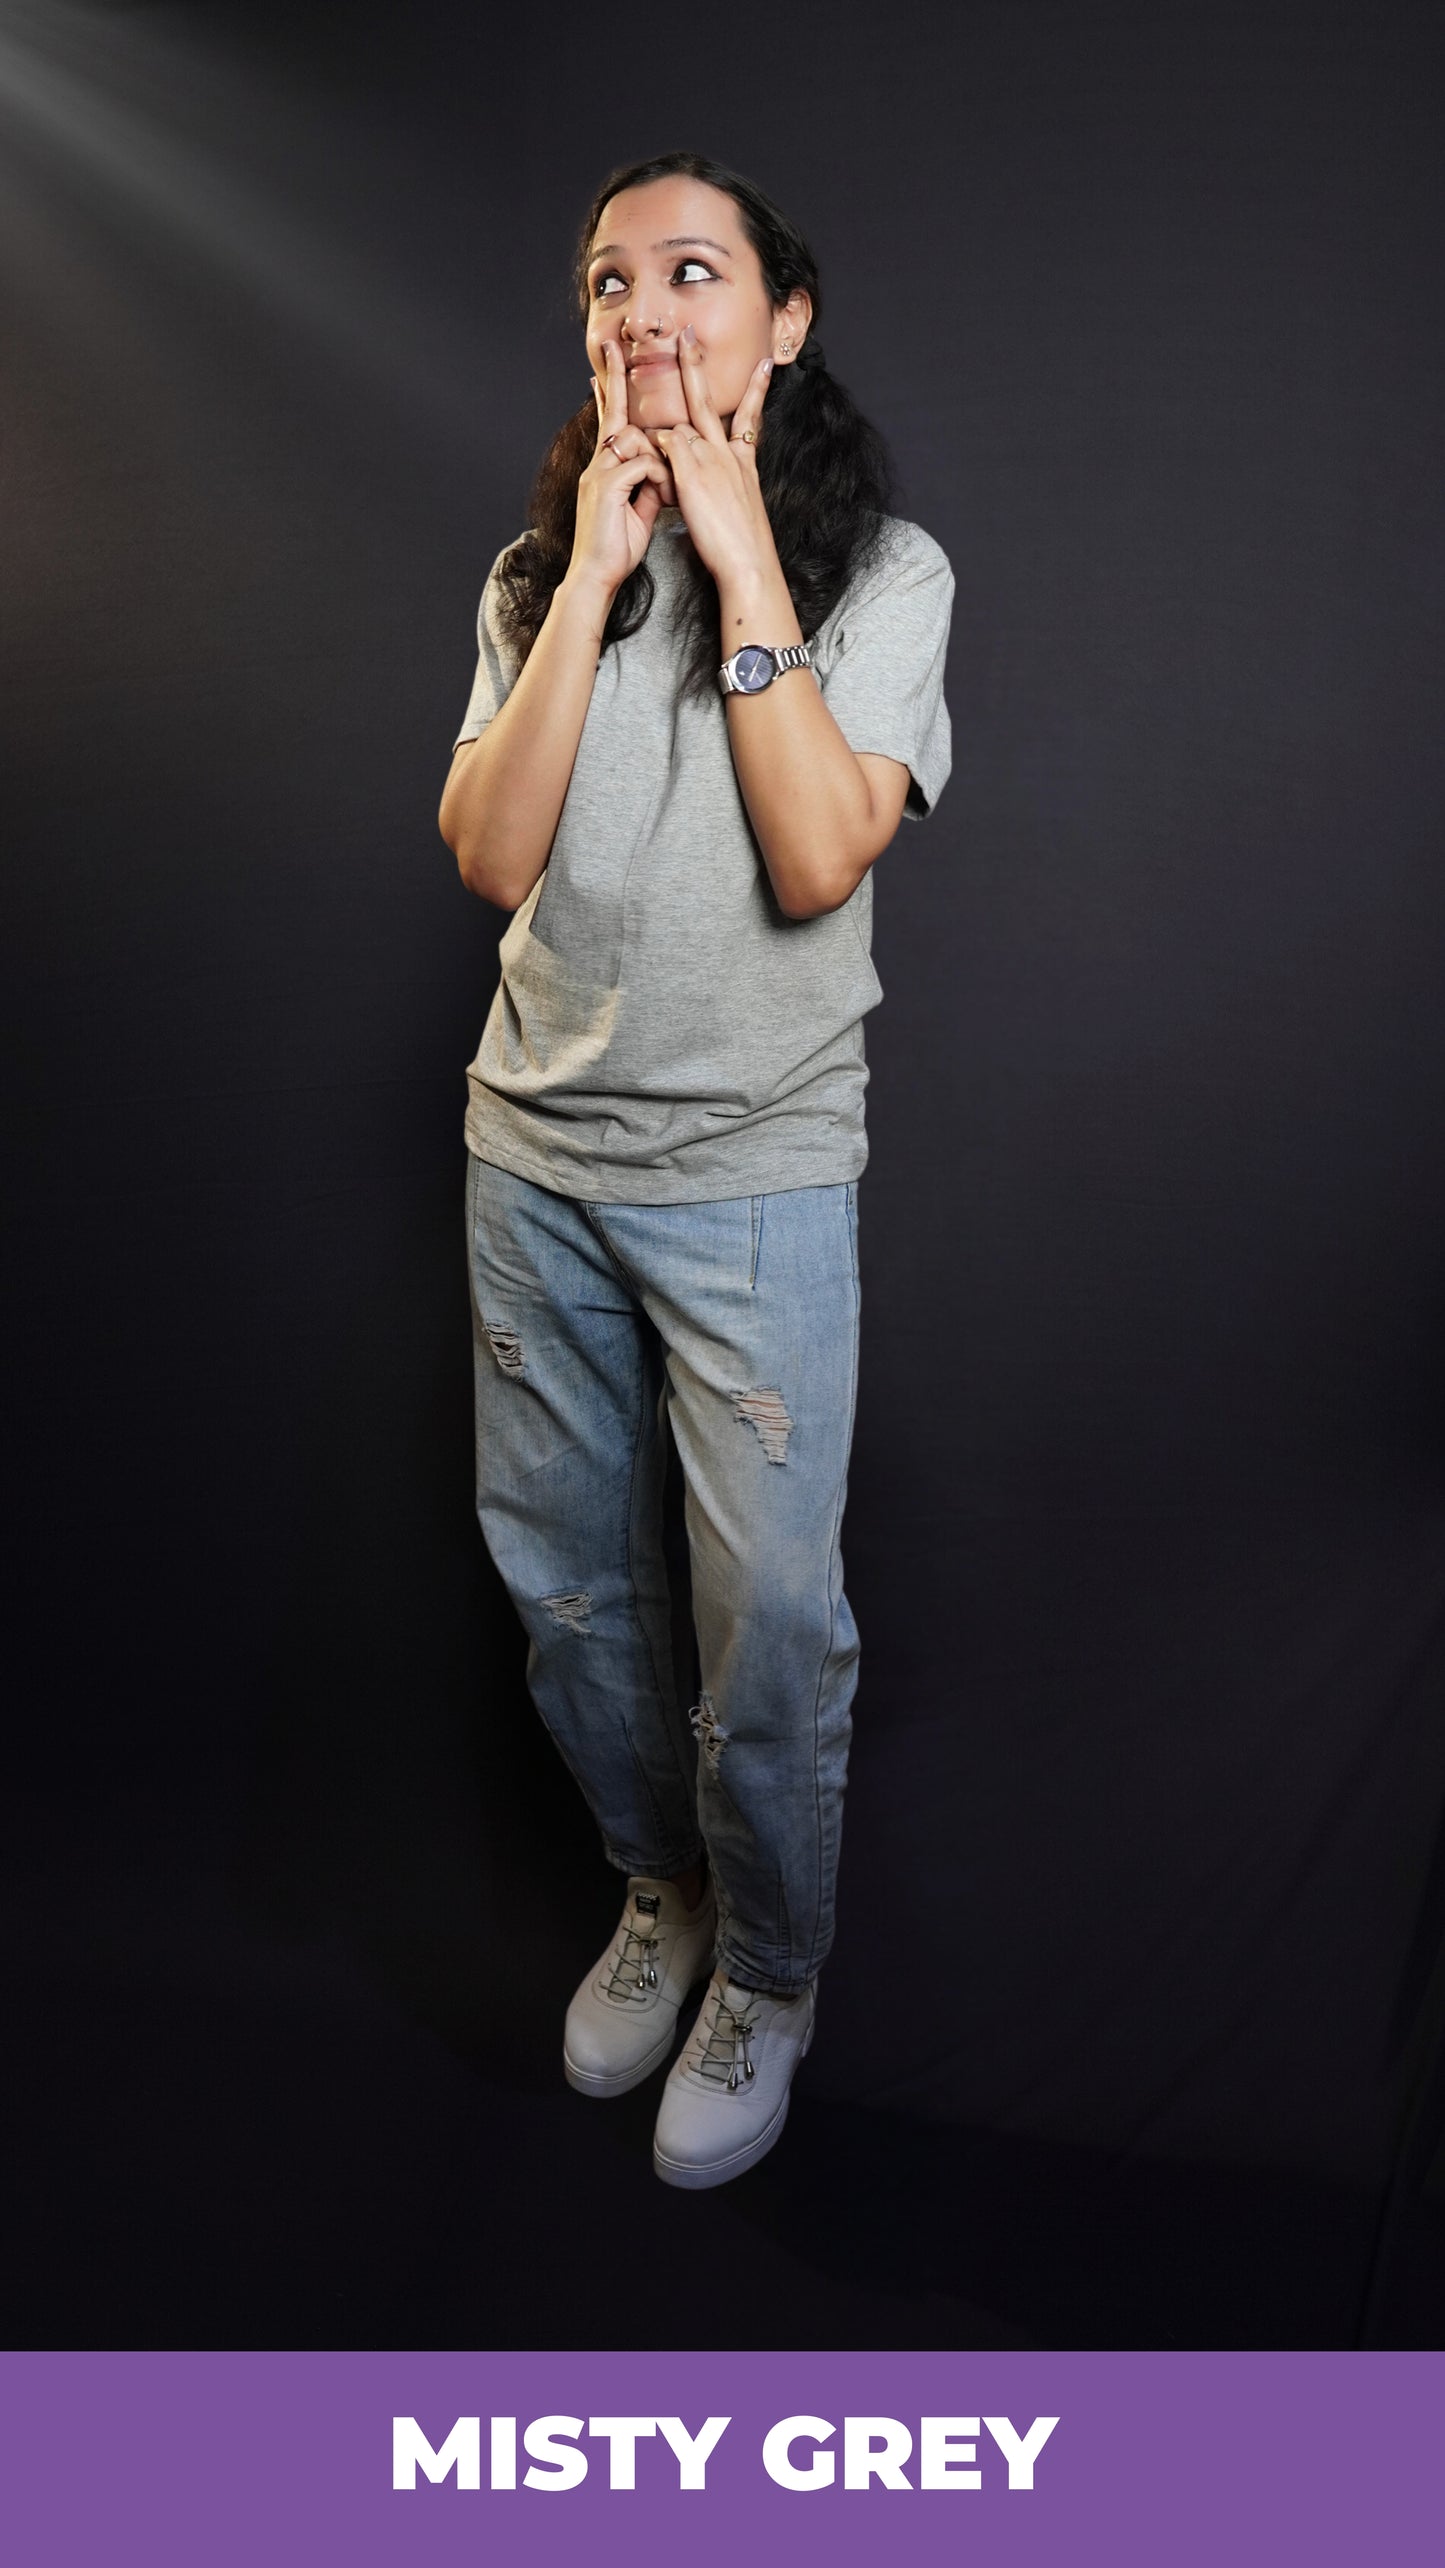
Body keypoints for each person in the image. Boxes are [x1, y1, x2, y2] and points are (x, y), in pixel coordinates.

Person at [438, 149, 954, 2190]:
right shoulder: (523, 571)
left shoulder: (884, 574)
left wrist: (741, 563)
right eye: (605, 281)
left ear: (784, 318)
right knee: (570, 1600)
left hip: (750, 1182)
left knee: (768, 1638)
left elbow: (823, 854)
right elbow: (489, 852)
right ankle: (660, 1895)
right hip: (530, 1159)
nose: (640, 308)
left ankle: (777, 1967)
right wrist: (593, 572)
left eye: (689, 270)